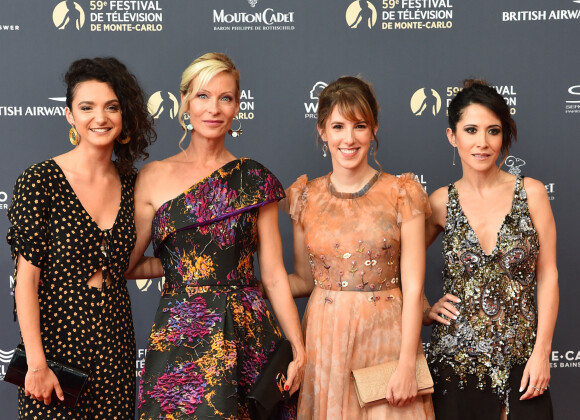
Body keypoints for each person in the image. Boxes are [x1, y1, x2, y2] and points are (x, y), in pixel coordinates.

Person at [126, 52, 306, 419]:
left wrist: (299, 349)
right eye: (203, 96)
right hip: (179, 334)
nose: (214, 108)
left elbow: (272, 274)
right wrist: (186, 269)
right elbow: (129, 265)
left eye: (226, 98)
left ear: (237, 107)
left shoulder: (254, 178)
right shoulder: (152, 177)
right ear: (184, 102)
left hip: (247, 333)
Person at [7, 57, 156, 419]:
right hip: (56, 352)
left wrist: (203, 268)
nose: (100, 118)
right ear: (70, 116)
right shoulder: (40, 180)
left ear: (125, 117)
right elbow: (26, 280)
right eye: (86, 107)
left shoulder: (135, 185)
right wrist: (37, 365)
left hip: (115, 350)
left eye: (112, 107)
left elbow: (128, 264)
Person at [284, 76, 435, 419]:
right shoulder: (304, 197)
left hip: (387, 340)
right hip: (325, 343)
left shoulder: (402, 193)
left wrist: (407, 364)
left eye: (360, 126)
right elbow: (304, 281)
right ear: (323, 131)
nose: (348, 139)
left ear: (374, 128)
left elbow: (413, 289)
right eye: (338, 126)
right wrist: (248, 286)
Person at [424, 79, 558, 419]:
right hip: (455, 362)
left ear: (504, 136)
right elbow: (393, 266)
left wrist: (542, 351)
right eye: (471, 130)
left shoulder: (532, 194)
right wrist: (425, 309)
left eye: (493, 131)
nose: (482, 143)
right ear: (452, 136)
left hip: (522, 359)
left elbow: (549, 276)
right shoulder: (440, 202)